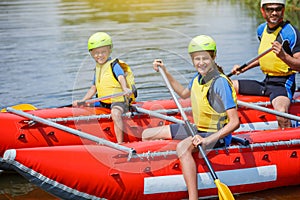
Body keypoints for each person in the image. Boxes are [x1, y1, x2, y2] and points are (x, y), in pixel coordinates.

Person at [144, 35, 240, 199]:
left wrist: (208, 141)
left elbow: (235, 122)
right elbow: (183, 93)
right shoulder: (198, 78)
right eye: (197, 59)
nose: (201, 62)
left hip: (216, 135)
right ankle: (160, 170)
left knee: (182, 147)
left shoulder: (220, 83)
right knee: (147, 134)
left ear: (213, 57)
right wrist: (165, 71)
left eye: (205, 58)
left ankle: (193, 197)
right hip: (198, 129)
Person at [230, 0, 300, 128]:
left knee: (282, 114)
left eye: (278, 9)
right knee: (227, 85)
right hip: (265, 82)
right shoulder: (261, 30)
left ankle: (287, 143)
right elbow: (264, 57)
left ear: (283, 11)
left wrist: (283, 56)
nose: (274, 13)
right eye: (269, 9)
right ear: (263, 11)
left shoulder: (291, 33)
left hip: (283, 84)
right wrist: (243, 68)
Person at [73, 32, 135, 144]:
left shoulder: (113, 65)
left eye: (103, 52)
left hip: (117, 101)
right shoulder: (97, 68)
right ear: (91, 54)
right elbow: (93, 88)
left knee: (115, 113)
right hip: (103, 101)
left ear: (109, 50)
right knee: (81, 106)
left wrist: (125, 89)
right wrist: (83, 100)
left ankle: (120, 143)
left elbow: (121, 77)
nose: (99, 55)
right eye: (96, 53)